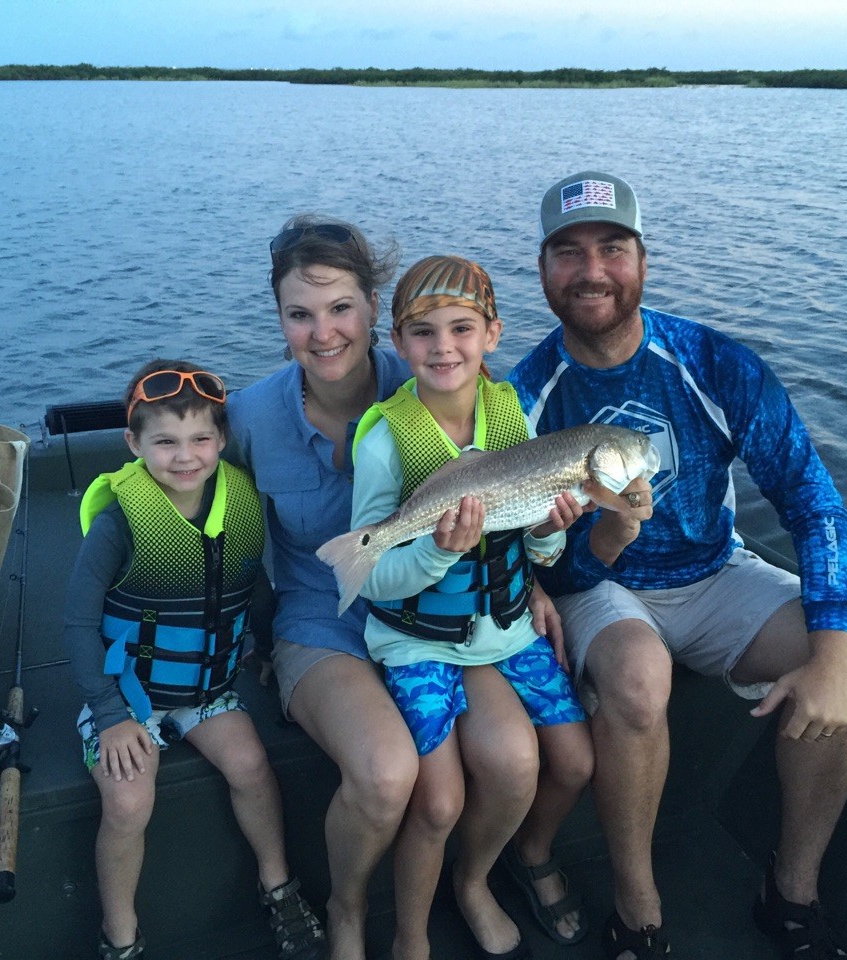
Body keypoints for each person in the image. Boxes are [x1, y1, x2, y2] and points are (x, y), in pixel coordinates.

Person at [508, 171, 847, 960]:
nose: (592, 270)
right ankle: (638, 912)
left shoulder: (715, 363)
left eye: (613, 247)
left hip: (715, 571)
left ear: (643, 259)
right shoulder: (525, 399)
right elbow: (552, 567)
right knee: (638, 678)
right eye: (568, 253)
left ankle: (792, 892)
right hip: (601, 589)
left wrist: (834, 651)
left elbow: (814, 502)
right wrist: (591, 546)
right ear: (542, 270)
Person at [347, 254, 594, 960]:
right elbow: (376, 579)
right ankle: (412, 933)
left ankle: (479, 874)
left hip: (503, 628)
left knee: (573, 761)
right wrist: (436, 551)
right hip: (418, 639)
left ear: (492, 334)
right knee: (440, 801)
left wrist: (549, 532)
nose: (443, 347)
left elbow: (528, 548)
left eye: (462, 328)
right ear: (398, 343)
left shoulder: (510, 410)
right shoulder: (383, 437)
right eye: (423, 333)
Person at [64, 359, 327, 960]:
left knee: (253, 768)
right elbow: (78, 623)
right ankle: (120, 935)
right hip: (126, 695)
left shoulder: (239, 502)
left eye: (201, 439)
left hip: (209, 692)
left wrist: (264, 648)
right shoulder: (118, 523)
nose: (186, 457)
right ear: (133, 443)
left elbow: (250, 589)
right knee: (129, 800)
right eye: (164, 442)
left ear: (222, 440)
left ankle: (278, 888)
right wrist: (109, 714)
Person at [226, 217, 416, 960]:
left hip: (430, 612)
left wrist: (529, 588)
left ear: (374, 307)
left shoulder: (433, 389)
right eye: (299, 314)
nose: (323, 332)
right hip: (317, 621)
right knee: (386, 774)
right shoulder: (247, 416)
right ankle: (346, 907)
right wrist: (253, 639)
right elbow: (230, 539)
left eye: (340, 308)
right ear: (279, 322)